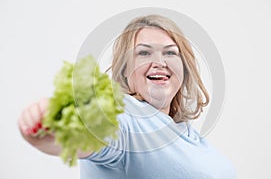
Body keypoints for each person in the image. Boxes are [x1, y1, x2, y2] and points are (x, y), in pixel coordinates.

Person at [18, 15, 236, 178]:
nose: (159, 62)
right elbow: (92, 133)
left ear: (184, 68)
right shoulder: (126, 120)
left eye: (170, 52)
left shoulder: (186, 133)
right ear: (124, 70)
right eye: (144, 52)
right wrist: (53, 119)